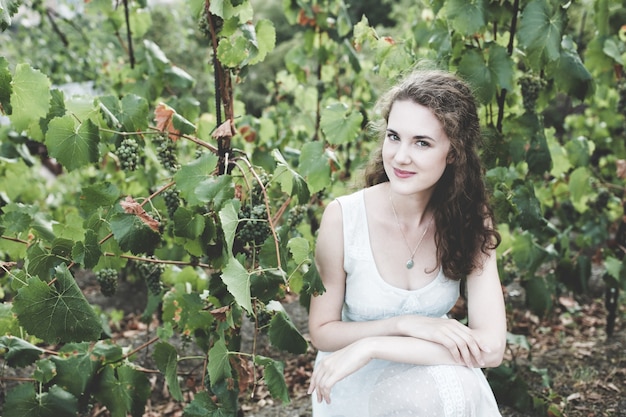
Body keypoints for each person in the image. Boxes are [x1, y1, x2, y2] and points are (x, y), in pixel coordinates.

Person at [307, 68, 507, 417]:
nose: (400, 156)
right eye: (394, 136)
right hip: (352, 377)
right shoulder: (343, 217)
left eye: (422, 143)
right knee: (442, 389)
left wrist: (373, 344)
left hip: (431, 370)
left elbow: (490, 349)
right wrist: (400, 326)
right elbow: (322, 332)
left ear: (454, 152)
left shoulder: (471, 219)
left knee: (452, 386)